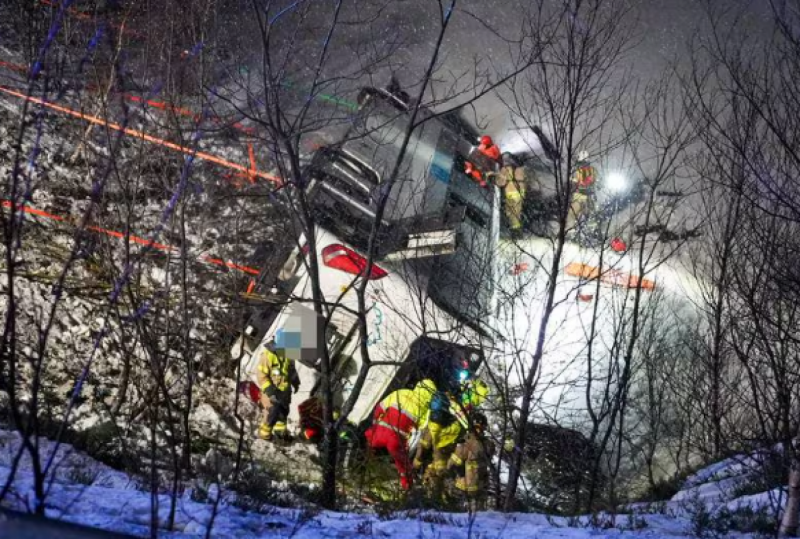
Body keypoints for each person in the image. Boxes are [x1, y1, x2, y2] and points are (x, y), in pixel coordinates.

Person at [413, 379, 489, 489]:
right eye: (480, 398)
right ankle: (424, 490)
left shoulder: (450, 400)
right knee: (437, 472)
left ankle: (421, 484)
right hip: (441, 444)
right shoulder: (464, 411)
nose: (480, 402)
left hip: (431, 438)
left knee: (430, 469)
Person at [364, 379, 438, 490]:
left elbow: (380, 407)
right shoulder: (425, 409)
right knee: (404, 466)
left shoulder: (402, 392)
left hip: (379, 432)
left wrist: (375, 424)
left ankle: (363, 470)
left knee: (367, 441)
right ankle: (407, 488)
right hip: (396, 440)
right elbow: (421, 428)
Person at [256, 330, 300, 441]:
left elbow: (291, 370)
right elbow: (261, 375)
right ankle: (264, 435)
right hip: (272, 391)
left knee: (283, 413)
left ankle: (280, 434)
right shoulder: (267, 356)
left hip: (284, 391)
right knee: (272, 413)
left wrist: (296, 382)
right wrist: (270, 391)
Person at [449, 411, 493, 509]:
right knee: (480, 516)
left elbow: (452, 464)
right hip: (481, 487)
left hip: (464, 487)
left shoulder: (466, 443)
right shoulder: (489, 444)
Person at [491, 155, 527, 237]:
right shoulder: (520, 170)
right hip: (519, 195)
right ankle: (517, 231)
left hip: (511, 195)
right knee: (516, 214)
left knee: (511, 214)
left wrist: (492, 178)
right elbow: (523, 182)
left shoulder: (505, 170)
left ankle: (516, 232)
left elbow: (500, 182)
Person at [567, 151, 598, 232]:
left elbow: (596, 181)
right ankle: (572, 229)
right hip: (579, 194)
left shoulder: (591, 170)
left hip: (586, 195)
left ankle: (590, 230)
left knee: (590, 213)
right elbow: (572, 181)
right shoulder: (576, 171)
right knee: (574, 213)